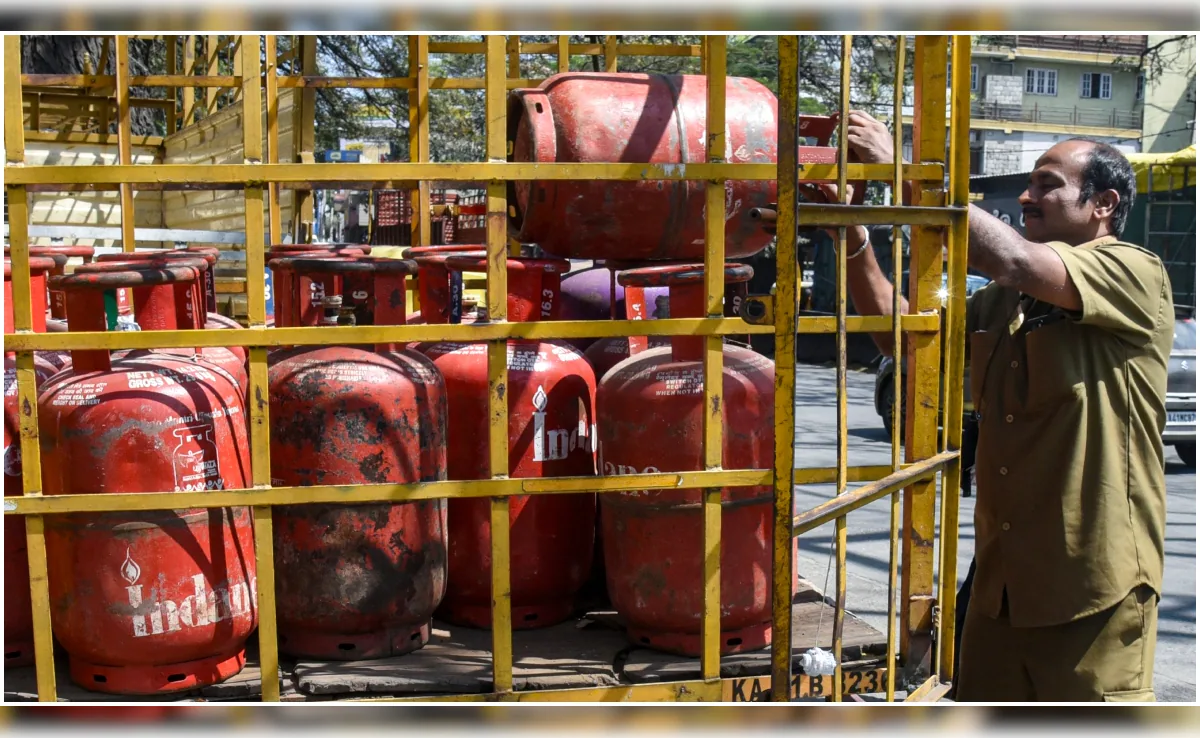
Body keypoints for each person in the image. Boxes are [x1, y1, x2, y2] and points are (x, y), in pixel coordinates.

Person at [803, 111, 1173, 702]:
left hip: (1092, 586)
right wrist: (851, 237)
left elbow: (1013, 259)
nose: (1027, 196)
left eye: (1048, 184)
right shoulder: (1006, 303)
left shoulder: (1134, 270)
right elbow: (904, 341)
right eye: (1029, 183)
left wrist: (903, 172)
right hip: (1000, 587)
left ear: (1103, 204)